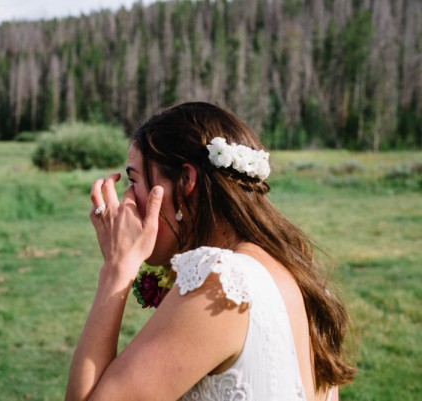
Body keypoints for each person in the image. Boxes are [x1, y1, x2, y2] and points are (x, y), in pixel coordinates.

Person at [65, 102, 355, 400]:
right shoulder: (295, 273)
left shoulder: (223, 281)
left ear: (186, 181)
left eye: (134, 181)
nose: (127, 199)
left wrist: (116, 268)